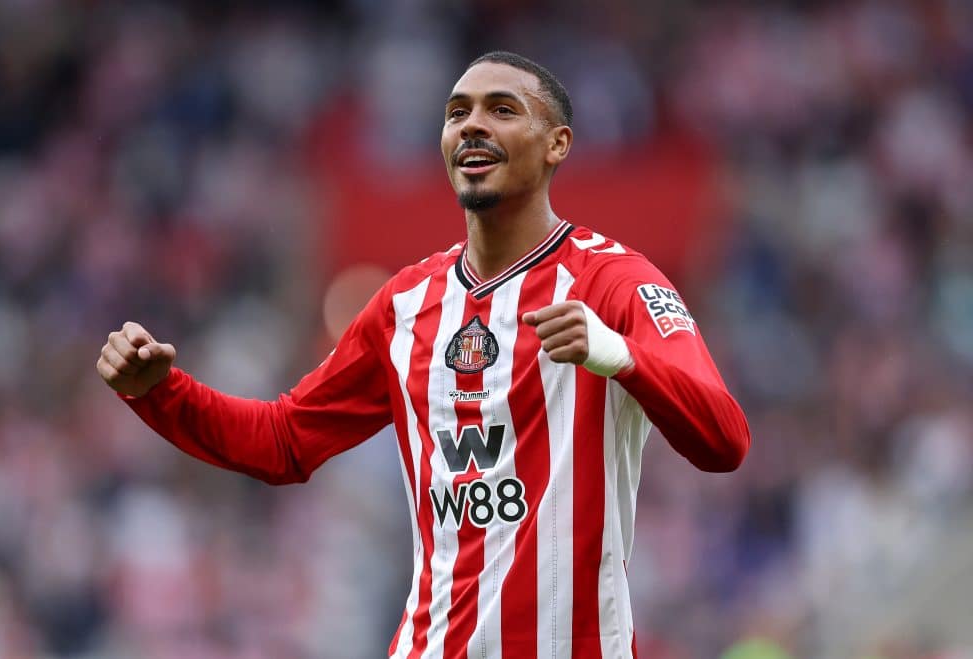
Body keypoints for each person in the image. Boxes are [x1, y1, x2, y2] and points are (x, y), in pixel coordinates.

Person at [97, 51, 750, 659]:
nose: (471, 125)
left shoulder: (615, 282)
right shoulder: (403, 306)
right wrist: (160, 391)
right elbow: (283, 442)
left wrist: (620, 356)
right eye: (456, 112)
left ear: (557, 145)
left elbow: (725, 439)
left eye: (502, 109)